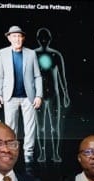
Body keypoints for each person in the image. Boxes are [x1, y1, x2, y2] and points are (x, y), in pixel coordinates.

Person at [0, 25, 42, 164]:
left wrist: (39, 95)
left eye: (19, 36)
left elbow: (37, 76)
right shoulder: (2, 53)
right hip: (10, 97)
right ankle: (11, 152)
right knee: (10, 128)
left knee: (30, 127)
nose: (17, 39)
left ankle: (28, 154)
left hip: (29, 97)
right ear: (9, 38)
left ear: (23, 38)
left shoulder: (31, 54)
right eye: (14, 36)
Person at [34, 28, 69, 163]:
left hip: (53, 94)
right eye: (42, 38)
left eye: (46, 38)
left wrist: (65, 94)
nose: (44, 40)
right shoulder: (34, 55)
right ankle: (42, 153)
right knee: (40, 127)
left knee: (55, 127)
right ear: (38, 39)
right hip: (39, 95)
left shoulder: (55, 55)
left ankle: (55, 153)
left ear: (49, 39)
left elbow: (62, 77)